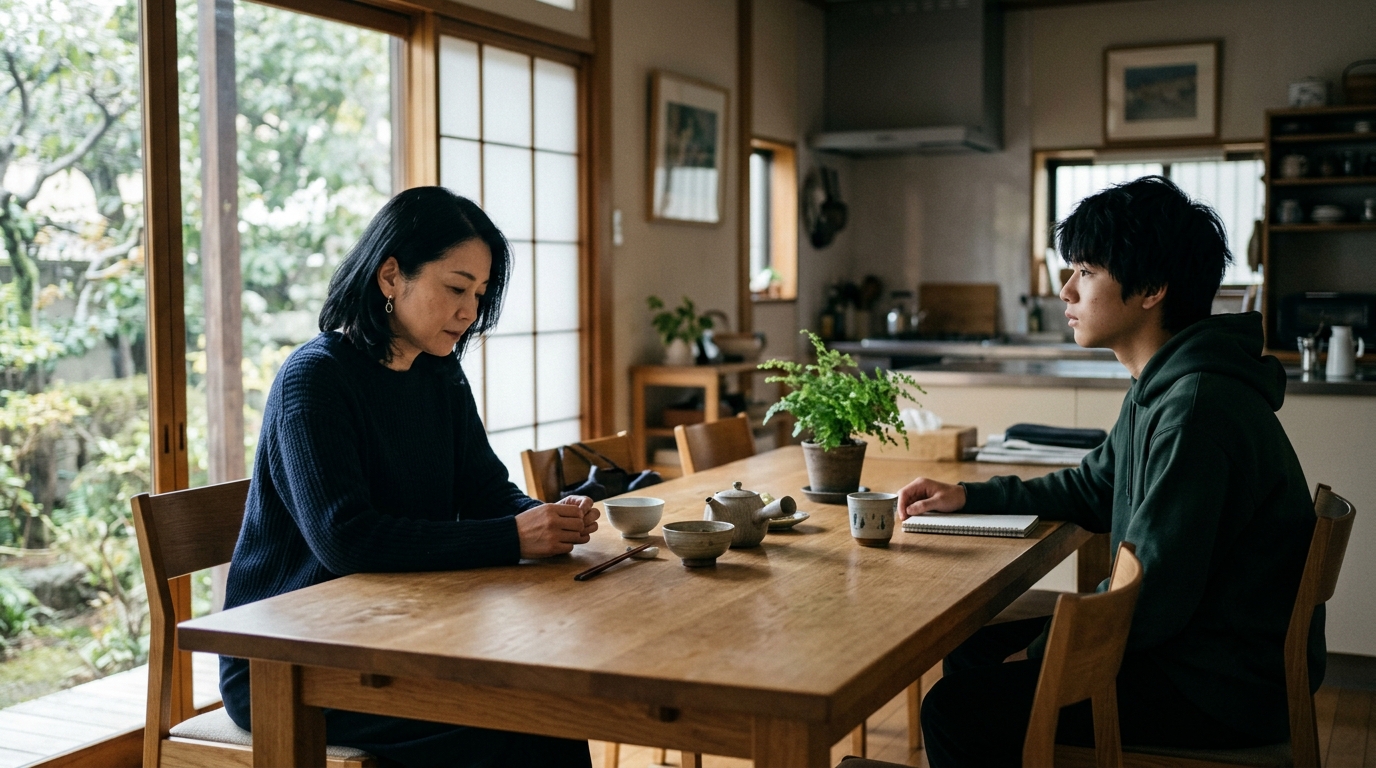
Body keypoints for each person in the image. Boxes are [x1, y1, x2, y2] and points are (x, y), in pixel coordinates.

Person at [899, 176, 1321, 767]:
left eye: (1086, 272)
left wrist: (1044, 657)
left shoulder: (1196, 411)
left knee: (957, 708)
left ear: (1150, 288)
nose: (1066, 291)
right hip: (1205, 656)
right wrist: (969, 496)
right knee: (974, 655)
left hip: (1217, 686)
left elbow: (1146, 593)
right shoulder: (1166, 384)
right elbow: (1093, 486)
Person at [219, 187, 598, 768]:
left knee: (550, 708)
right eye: (455, 287)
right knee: (522, 724)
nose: (470, 311)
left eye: (479, 293)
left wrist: (548, 519)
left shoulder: (439, 374)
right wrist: (512, 537)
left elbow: (484, 491)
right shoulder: (315, 378)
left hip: (397, 632)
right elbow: (346, 538)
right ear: (391, 275)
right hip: (290, 658)